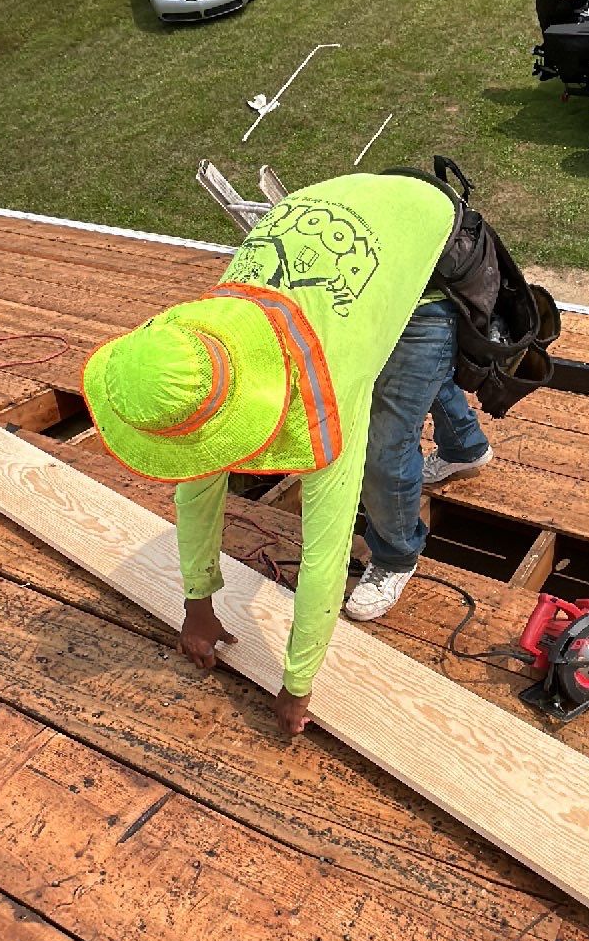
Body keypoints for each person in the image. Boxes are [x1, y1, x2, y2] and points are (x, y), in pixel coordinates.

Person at [82, 171, 492, 736]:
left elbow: (324, 556)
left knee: (385, 436)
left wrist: (298, 684)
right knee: (379, 347)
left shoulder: (322, 400)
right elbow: (196, 490)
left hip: (429, 236)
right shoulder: (205, 341)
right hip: (347, 219)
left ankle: (397, 556)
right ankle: (467, 445)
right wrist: (195, 603)